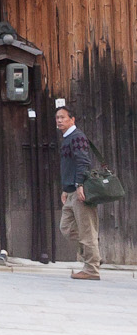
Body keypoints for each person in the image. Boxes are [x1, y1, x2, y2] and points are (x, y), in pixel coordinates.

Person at [55, 104, 100, 280]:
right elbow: (68, 166)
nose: (59, 120)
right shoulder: (67, 138)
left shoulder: (77, 137)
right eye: (57, 118)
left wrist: (80, 184)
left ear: (72, 119)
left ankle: (91, 269)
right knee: (66, 228)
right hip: (70, 191)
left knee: (87, 231)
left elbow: (83, 162)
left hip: (80, 191)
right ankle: (93, 254)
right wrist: (65, 189)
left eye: (63, 117)